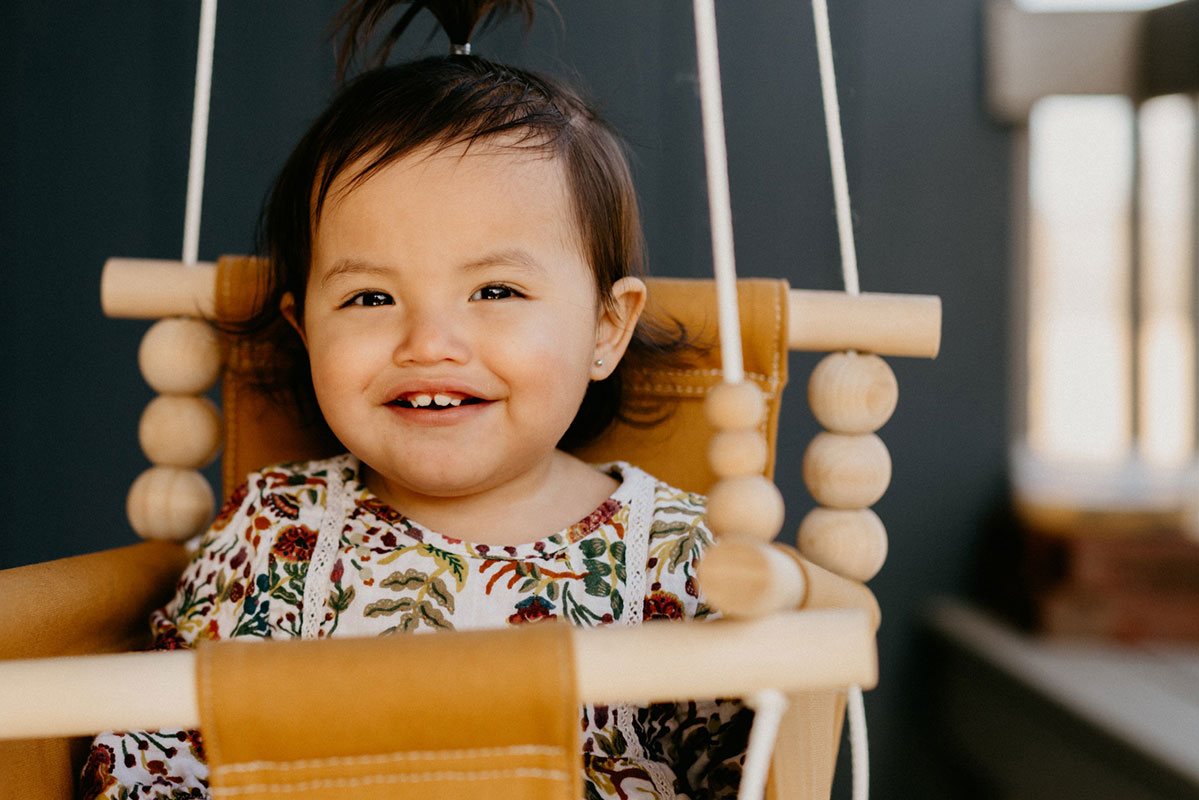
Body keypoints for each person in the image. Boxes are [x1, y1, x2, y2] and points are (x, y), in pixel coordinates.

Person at [81, 2, 750, 797]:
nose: (429, 342)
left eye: (495, 290)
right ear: (304, 330)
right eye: (370, 298)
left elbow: (754, 769)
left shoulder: (678, 554)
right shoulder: (276, 531)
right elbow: (157, 753)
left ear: (607, 328)